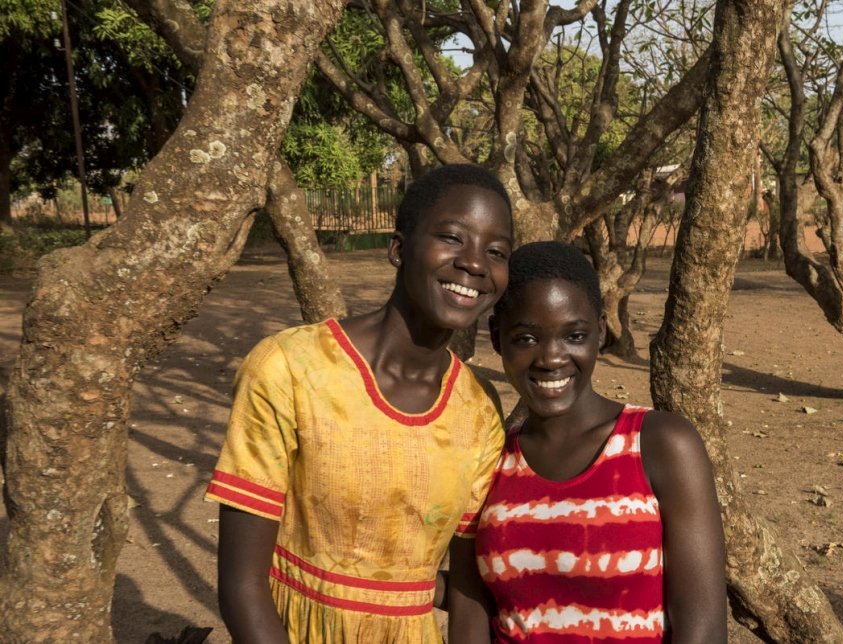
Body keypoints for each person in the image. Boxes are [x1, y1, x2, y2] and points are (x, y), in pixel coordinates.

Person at [204, 164, 514, 643]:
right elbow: (242, 586)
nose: (474, 263)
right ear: (398, 249)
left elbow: (469, 592)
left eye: (496, 252)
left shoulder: (478, 410)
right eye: (453, 238)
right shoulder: (290, 367)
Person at [460, 241, 727, 643]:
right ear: (497, 337)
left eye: (575, 335)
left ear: (600, 332)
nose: (551, 357)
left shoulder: (661, 445)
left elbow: (703, 629)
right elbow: (475, 608)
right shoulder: (488, 459)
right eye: (527, 339)